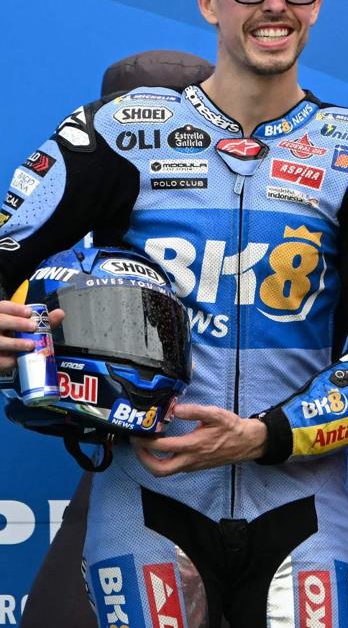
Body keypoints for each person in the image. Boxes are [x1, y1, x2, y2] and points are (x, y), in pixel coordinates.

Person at [0, 0, 348, 626]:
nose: (275, 3)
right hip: (147, 498)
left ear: (318, 2)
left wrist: (263, 435)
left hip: (300, 502)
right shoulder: (115, 131)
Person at [18, 50, 213, 628]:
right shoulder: (66, 250)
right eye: (134, 118)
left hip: (249, 481)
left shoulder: (276, 213)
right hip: (124, 470)